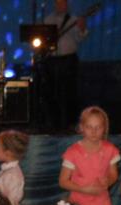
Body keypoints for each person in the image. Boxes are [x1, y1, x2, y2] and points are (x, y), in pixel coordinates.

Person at [59, 106, 120, 205]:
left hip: (101, 204)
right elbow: (63, 181)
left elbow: (114, 174)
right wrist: (84, 189)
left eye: (98, 127)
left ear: (104, 128)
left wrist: (108, 181)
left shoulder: (109, 149)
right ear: (82, 128)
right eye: (89, 127)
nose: (93, 131)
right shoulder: (73, 152)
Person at [43, 0, 88, 130]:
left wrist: (82, 28)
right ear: (55, 5)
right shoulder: (48, 20)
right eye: (59, 3)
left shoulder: (73, 19)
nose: (61, 6)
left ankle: (70, 123)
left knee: (70, 92)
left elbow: (80, 38)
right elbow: (43, 41)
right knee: (52, 92)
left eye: (63, 4)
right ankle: (53, 124)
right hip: (52, 60)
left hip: (69, 59)